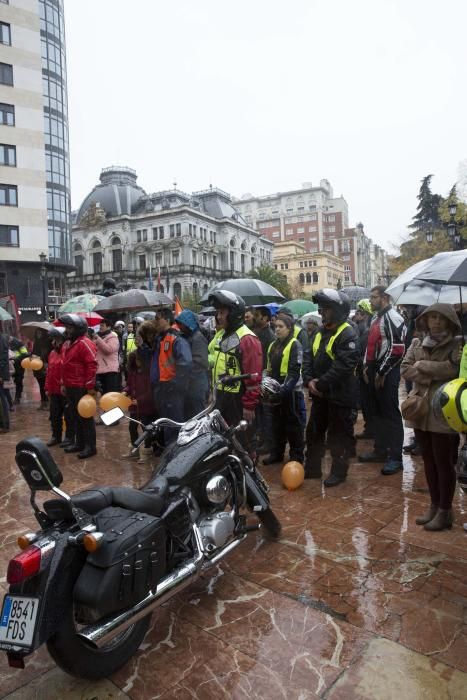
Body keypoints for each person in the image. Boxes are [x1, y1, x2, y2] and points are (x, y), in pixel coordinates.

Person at [401, 304, 462, 531]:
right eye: (431, 317)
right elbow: (405, 370)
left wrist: (423, 366)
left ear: (449, 321)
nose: (435, 322)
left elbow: (454, 371)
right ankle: (434, 506)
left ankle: (446, 510)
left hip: (443, 408)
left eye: (440, 318)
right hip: (418, 408)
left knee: (443, 461)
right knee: (427, 459)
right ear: (425, 321)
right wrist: (433, 372)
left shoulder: (458, 345)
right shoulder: (417, 343)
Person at [303, 289, 359, 487]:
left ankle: (339, 472)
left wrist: (320, 384)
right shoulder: (320, 331)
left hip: (340, 396)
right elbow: (308, 356)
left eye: (326, 308)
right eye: (321, 308)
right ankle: (312, 468)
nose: (321, 312)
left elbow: (344, 366)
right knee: (314, 432)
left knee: (339, 435)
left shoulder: (348, 333)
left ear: (337, 310)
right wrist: (309, 379)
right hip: (320, 395)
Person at [359, 285, 406, 475]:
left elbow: (397, 349)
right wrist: (365, 366)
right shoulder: (375, 318)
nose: (370, 300)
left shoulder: (394, 317)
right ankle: (380, 450)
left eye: (373, 297)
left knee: (391, 414)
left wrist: (381, 372)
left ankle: (395, 458)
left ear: (385, 298)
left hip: (388, 372)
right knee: (376, 412)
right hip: (373, 370)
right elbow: (370, 344)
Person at [209, 290, 262, 447]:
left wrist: (249, 405)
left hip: (238, 402)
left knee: (242, 445)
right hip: (222, 398)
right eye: (218, 312)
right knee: (223, 443)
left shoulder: (248, 339)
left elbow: (254, 376)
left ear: (234, 313)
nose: (218, 316)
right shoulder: (225, 335)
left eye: (222, 312)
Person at [263, 312, 305, 465]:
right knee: (276, 424)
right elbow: (268, 369)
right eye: (275, 327)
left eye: (281, 327)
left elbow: (294, 371)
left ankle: (297, 456)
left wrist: (283, 390)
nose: (277, 329)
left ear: (289, 328)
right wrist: (267, 387)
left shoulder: (295, 344)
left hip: (291, 391)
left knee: (294, 425)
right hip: (275, 391)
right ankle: (277, 453)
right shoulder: (273, 345)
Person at [150, 308, 192, 444]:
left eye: (158, 319)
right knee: (166, 422)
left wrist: (174, 383)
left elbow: (185, 363)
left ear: (167, 320)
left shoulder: (176, 338)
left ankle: (175, 453)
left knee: (174, 423)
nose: (155, 322)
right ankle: (169, 449)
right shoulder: (160, 339)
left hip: (172, 390)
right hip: (162, 388)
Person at [59, 314, 98, 459]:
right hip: (71, 386)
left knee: (85, 417)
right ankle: (80, 443)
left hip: (81, 386)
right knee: (75, 416)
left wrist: (89, 386)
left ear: (78, 329)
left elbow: (92, 365)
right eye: (67, 327)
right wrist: (63, 383)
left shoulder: (84, 343)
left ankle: (90, 447)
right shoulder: (70, 343)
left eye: (70, 327)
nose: (67, 330)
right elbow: (65, 365)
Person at [122, 346, 157, 462]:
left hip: (145, 407)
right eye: (135, 360)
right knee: (132, 427)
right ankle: (134, 449)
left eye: (139, 360)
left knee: (145, 429)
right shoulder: (133, 372)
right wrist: (125, 391)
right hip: (133, 406)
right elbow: (129, 385)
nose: (137, 362)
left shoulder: (148, 374)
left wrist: (140, 400)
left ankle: (147, 450)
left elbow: (150, 392)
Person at [175, 309, 209, 418]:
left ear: (188, 323)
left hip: (197, 385)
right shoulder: (186, 336)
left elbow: (200, 362)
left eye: (182, 324)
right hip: (189, 386)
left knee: (198, 416)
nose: (180, 327)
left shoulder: (198, 338)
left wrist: (182, 371)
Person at [45, 328, 72, 447]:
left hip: (65, 389)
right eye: (53, 340)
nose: (53, 342)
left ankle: (69, 437)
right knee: (55, 415)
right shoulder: (52, 353)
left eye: (56, 339)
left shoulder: (67, 351)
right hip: (53, 389)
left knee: (68, 415)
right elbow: (49, 372)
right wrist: (47, 388)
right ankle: (56, 436)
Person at [353, 299, 374, 440]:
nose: (356, 315)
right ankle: (369, 428)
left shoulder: (367, 330)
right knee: (365, 403)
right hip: (361, 371)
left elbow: (365, 353)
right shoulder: (360, 328)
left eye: (359, 312)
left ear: (366, 314)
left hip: (366, 372)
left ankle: (372, 429)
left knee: (369, 403)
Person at [93, 318, 121, 394]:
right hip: (99, 370)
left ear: (108, 327)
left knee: (110, 395)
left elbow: (109, 350)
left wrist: (98, 339)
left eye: (102, 325)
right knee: (102, 395)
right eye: (100, 326)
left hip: (110, 371)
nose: (100, 327)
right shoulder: (98, 337)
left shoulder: (113, 337)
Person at [32, 328, 51, 410]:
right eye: (37, 333)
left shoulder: (48, 341)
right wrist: (31, 356)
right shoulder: (36, 342)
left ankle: (48, 403)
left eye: (40, 333)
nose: (38, 334)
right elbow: (33, 352)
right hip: (36, 366)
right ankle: (43, 402)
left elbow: (50, 353)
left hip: (45, 366)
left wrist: (43, 357)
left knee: (46, 385)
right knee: (40, 385)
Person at [9, 338, 29, 404]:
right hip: (9, 366)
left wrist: (16, 358)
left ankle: (17, 397)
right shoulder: (4, 343)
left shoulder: (19, 343)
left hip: (19, 366)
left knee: (18, 381)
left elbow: (25, 354)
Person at [0, 331, 11, 432]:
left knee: (2, 401)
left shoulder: (2, 339)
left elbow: (3, 359)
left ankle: (4, 425)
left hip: (1, 375)